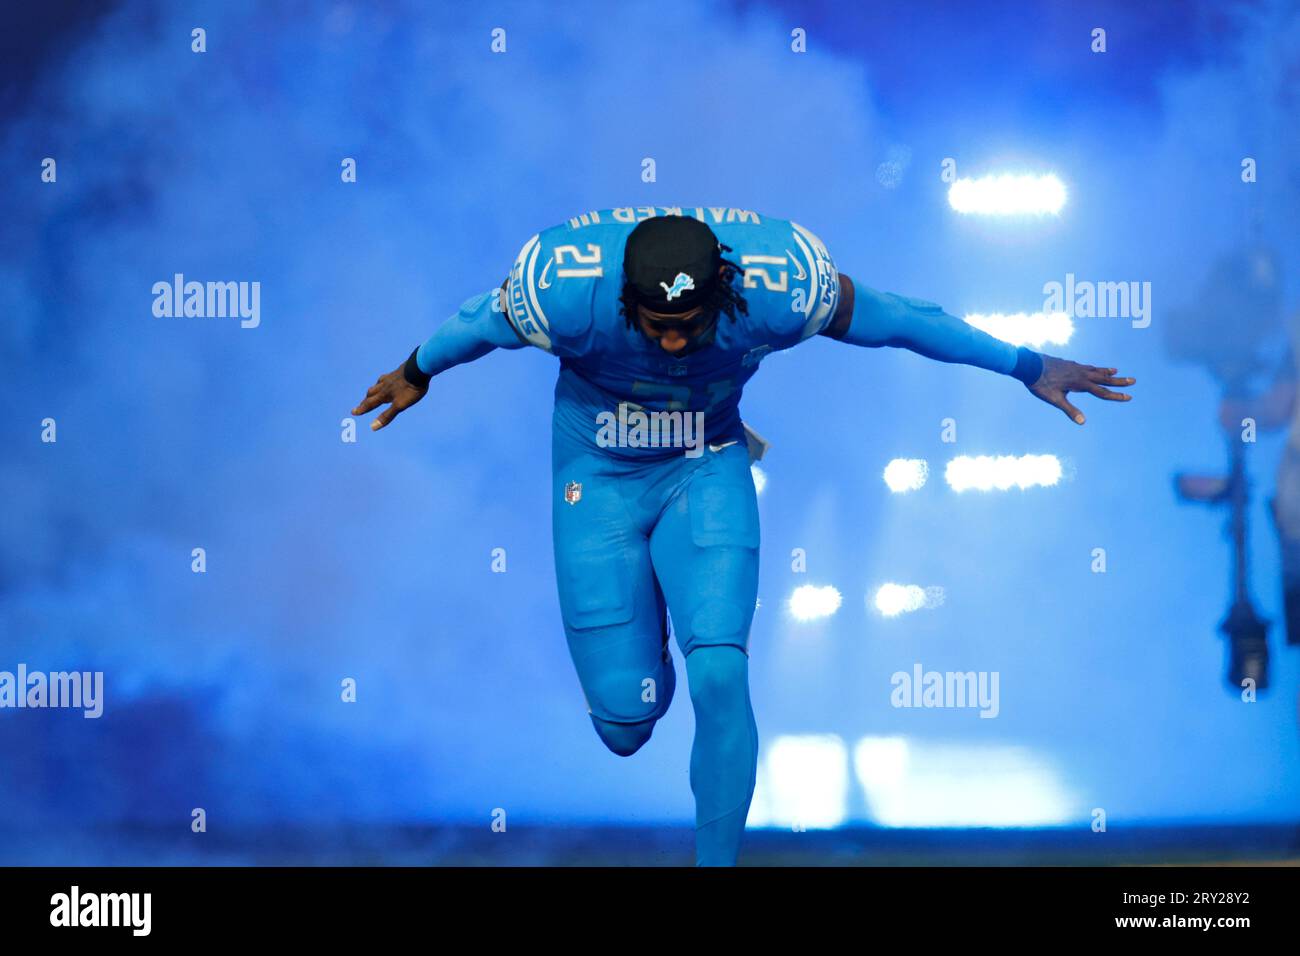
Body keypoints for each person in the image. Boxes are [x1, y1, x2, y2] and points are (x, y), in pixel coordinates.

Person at [352, 207, 1135, 865]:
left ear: (724, 290)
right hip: (601, 477)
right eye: (654, 324)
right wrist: (416, 368)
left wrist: (1025, 364)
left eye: (686, 325)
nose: (668, 342)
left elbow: (901, 319)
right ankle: (645, 634)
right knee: (625, 725)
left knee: (721, 676)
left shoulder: (780, 284)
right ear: (625, 297)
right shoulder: (565, 287)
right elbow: (478, 323)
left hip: (706, 465)